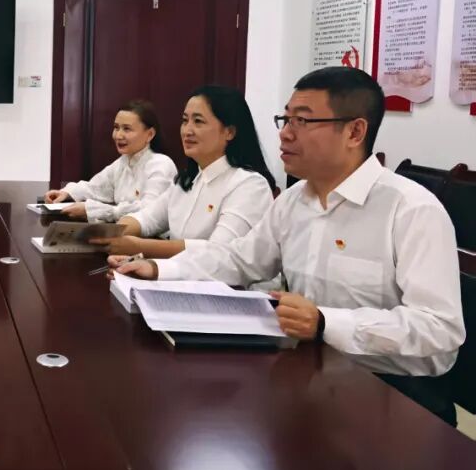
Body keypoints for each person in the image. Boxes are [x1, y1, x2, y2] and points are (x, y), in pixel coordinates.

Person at [117, 67, 464, 425]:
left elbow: (440, 329)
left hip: (396, 398)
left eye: (303, 120)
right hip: (312, 373)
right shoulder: (294, 200)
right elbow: (240, 259)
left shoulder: (410, 210)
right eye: (285, 119)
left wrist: (326, 322)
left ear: (355, 132)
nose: (285, 133)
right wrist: (159, 269)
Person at [102, 86, 276, 260]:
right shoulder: (187, 180)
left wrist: (141, 247)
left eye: (198, 121)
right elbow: (148, 218)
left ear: (229, 132)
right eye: (185, 121)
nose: (187, 131)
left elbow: (218, 252)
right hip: (177, 274)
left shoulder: (250, 185)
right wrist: (112, 234)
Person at [45, 100, 176, 222]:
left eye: (127, 129)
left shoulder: (161, 165)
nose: (118, 135)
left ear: (150, 134)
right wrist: (66, 193)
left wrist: (95, 211)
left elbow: (149, 211)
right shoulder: (123, 162)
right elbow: (95, 188)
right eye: (116, 127)